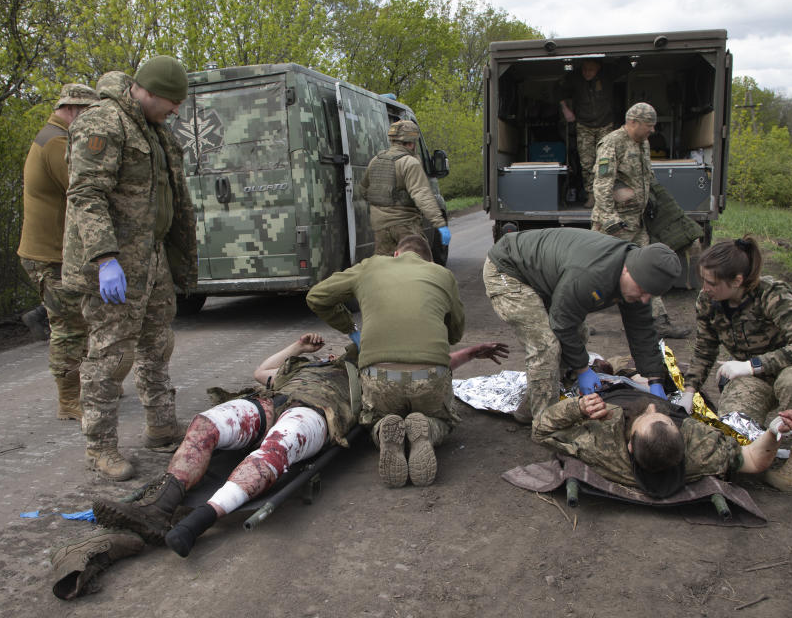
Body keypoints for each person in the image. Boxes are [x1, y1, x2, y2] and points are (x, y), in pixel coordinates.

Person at [93, 333, 508, 556]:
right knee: (207, 424)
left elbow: (431, 364)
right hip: (273, 401)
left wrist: (470, 352)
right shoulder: (305, 366)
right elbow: (262, 372)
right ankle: (160, 508)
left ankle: (197, 521)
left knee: (275, 448)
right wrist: (298, 348)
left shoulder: (369, 377)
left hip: (318, 412)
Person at [63, 55, 198, 481]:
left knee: (157, 344)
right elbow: (86, 194)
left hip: (150, 259)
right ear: (149, 91)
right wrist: (105, 258)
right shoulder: (103, 122)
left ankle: (160, 426)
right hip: (115, 263)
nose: (176, 110)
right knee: (110, 354)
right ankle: (100, 447)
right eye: (172, 102)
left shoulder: (153, 129)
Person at [306, 235, 464, 488]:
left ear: (396, 255)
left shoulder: (370, 266)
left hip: (380, 377)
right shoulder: (442, 275)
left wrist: (350, 327)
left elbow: (317, 297)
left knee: (376, 417)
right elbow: (456, 334)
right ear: (428, 260)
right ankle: (426, 428)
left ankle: (383, 429)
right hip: (430, 376)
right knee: (444, 418)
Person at [483, 227, 680, 428]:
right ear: (627, 269)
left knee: (579, 334)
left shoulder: (639, 274)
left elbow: (642, 330)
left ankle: (530, 407)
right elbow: (562, 323)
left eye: (650, 295)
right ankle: (546, 423)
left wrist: (655, 379)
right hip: (507, 269)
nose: (644, 298)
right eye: (642, 290)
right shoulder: (592, 274)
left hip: (546, 275)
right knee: (545, 345)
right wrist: (583, 369)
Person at [678, 236, 792, 492]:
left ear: (737, 280)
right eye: (703, 280)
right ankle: (762, 446)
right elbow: (705, 348)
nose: (705, 288)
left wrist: (752, 365)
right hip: (755, 380)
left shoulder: (772, 294)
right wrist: (689, 391)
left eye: (711, 283)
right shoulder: (708, 302)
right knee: (732, 438)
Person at [533, 388, 792, 499]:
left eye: (649, 417)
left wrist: (578, 408)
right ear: (683, 438)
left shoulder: (599, 444)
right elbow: (755, 460)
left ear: (630, 446)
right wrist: (772, 431)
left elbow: (541, 429)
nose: (651, 408)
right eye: (663, 417)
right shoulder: (702, 452)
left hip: (616, 395)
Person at [17, 83, 100, 421]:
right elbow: (82, 184)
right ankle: (69, 401)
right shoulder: (55, 141)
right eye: (87, 113)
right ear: (72, 109)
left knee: (84, 318)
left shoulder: (55, 135)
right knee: (69, 327)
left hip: (59, 254)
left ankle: (85, 388)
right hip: (49, 256)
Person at [592, 102, 690, 339]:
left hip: (636, 222)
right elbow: (602, 184)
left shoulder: (643, 143)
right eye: (649, 125)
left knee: (649, 268)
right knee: (597, 272)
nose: (652, 130)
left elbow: (647, 177)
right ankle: (573, 320)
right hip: (614, 225)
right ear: (633, 122)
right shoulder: (612, 143)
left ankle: (660, 321)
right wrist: (610, 219)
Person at [359, 120, 450, 256]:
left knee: (386, 268)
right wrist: (440, 223)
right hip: (405, 226)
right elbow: (422, 195)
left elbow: (363, 190)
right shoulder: (410, 163)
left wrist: (383, 206)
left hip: (380, 228)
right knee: (416, 265)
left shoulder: (375, 160)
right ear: (412, 142)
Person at [559, 58, 625, 208]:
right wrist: (565, 109)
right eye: (584, 69)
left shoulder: (608, 74)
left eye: (591, 70)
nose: (586, 73)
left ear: (598, 69)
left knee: (606, 161)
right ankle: (591, 195)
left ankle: (606, 195)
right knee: (587, 163)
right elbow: (558, 90)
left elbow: (626, 65)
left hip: (605, 124)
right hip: (584, 125)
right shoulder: (575, 77)